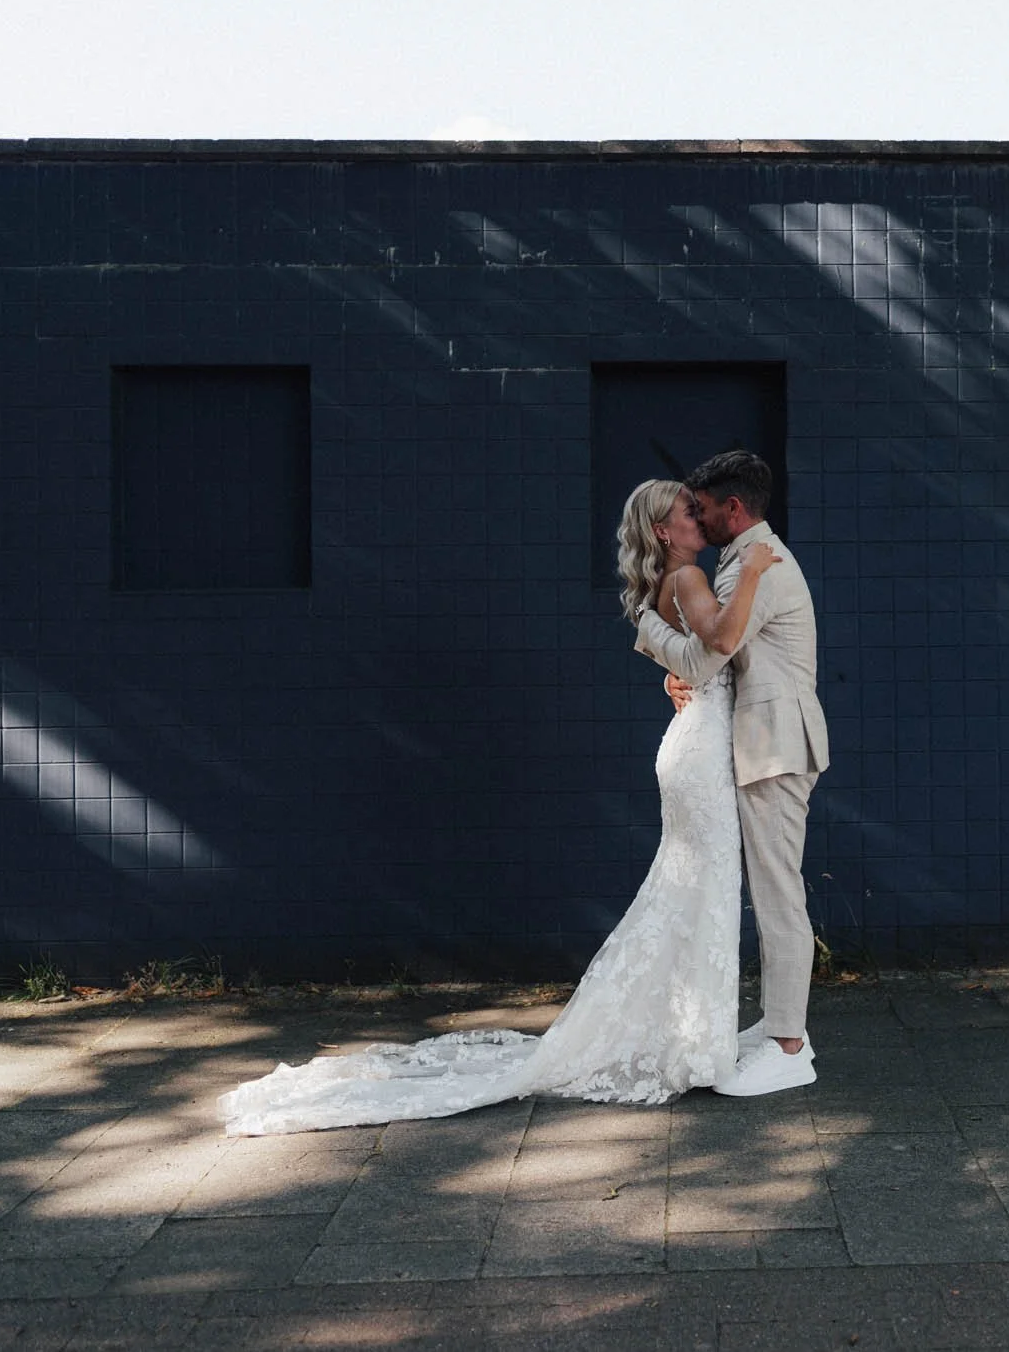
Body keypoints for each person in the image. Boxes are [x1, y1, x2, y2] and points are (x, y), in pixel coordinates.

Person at [217, 479, 779, 1134]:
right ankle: (699, 1048)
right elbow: (723, 642)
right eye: (689, 511)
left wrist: (673, 669)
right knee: (702, 891)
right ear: (664, 530)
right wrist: (756, 573)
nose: (701, 518)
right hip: (701, 754)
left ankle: (697, 1042)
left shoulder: (671, 584)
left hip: (688, 746)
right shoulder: (687, 579)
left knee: (691, 893)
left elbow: (691, 658)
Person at [633, 450, 829, 1097]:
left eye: (706, 506)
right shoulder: (741, 559)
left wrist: (651, 635)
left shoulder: (757, 566)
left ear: (734, 508)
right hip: (763, 741)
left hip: (775, 746)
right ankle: (779, 1026)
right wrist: (675, 668)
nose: (701, 515)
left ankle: (789, 1047)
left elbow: (713, 655)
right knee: (773, 888)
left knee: (779, 894)